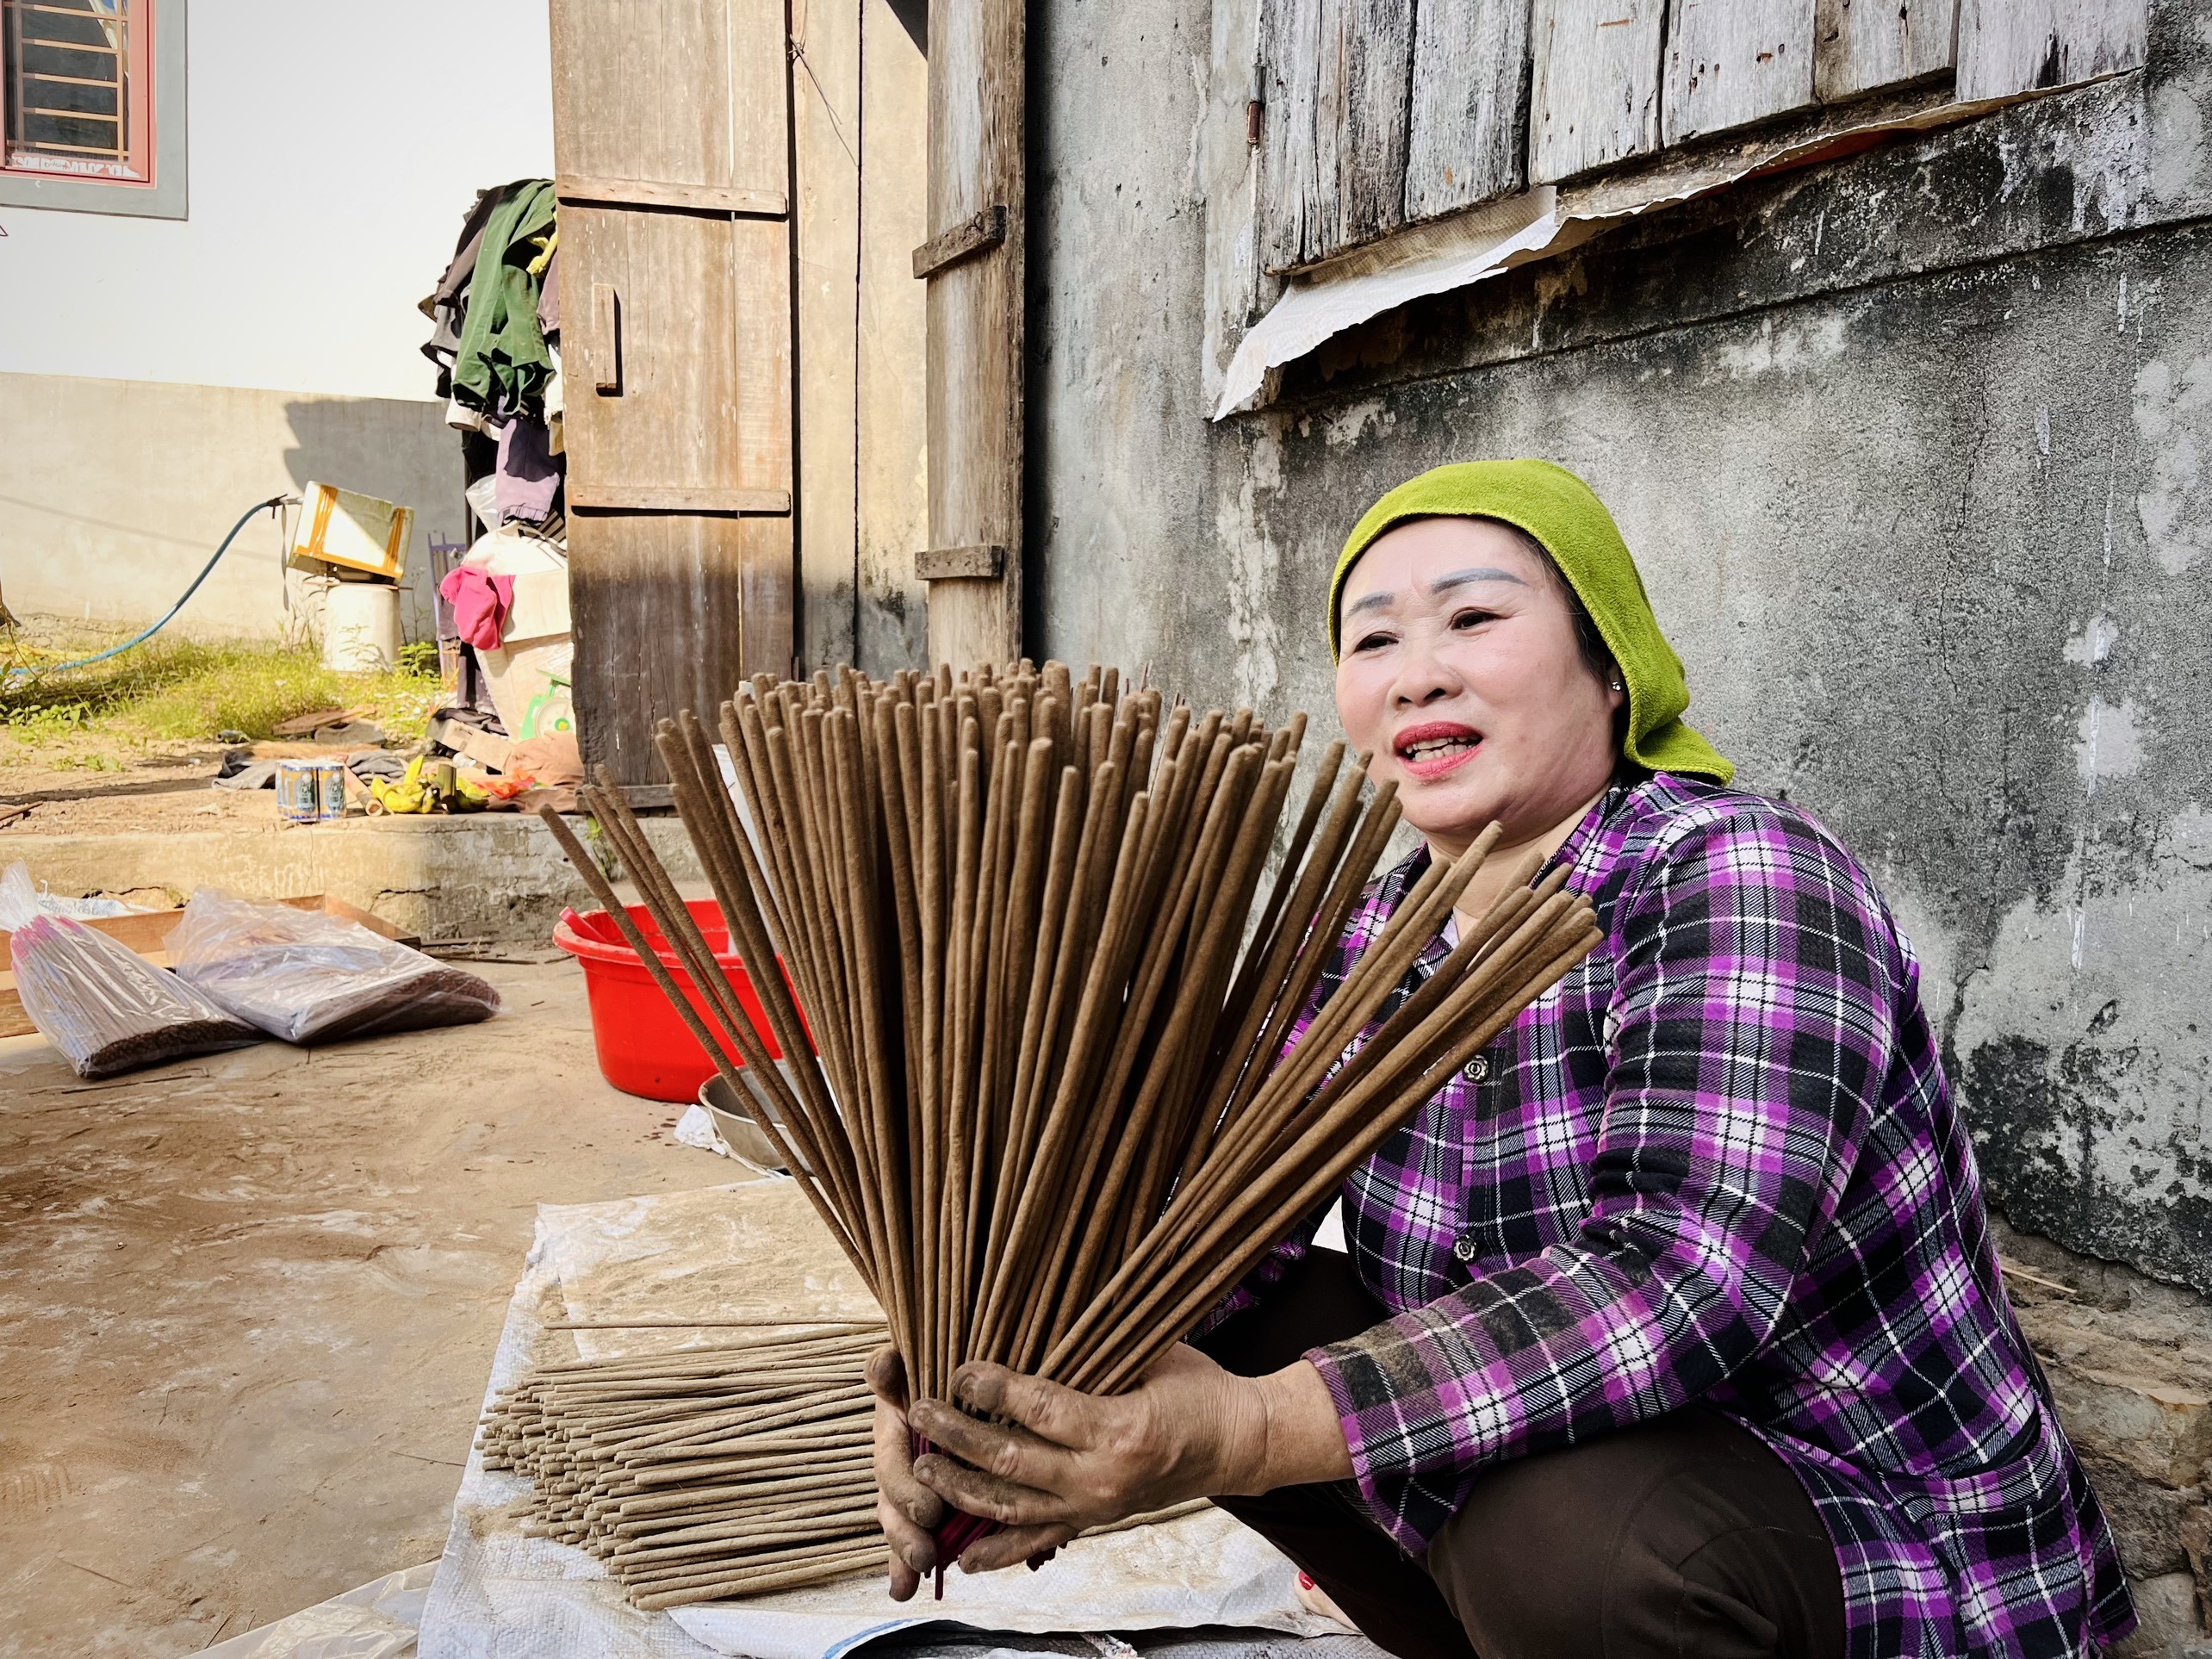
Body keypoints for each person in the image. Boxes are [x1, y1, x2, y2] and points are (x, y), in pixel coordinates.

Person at [869, 460, 2134, 1659]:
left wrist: (1244, 1435)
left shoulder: (1737, 873)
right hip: (1559, 1488)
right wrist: (969, 1390)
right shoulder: (1377, 926)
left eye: (1472, 618)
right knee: (1220, 1320)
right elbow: (1202, 1226)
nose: (1417, 674)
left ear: (1610, 667)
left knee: (1570, 1541)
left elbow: (1680, 1284)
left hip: (1854, 1527)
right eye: (1373, 640)